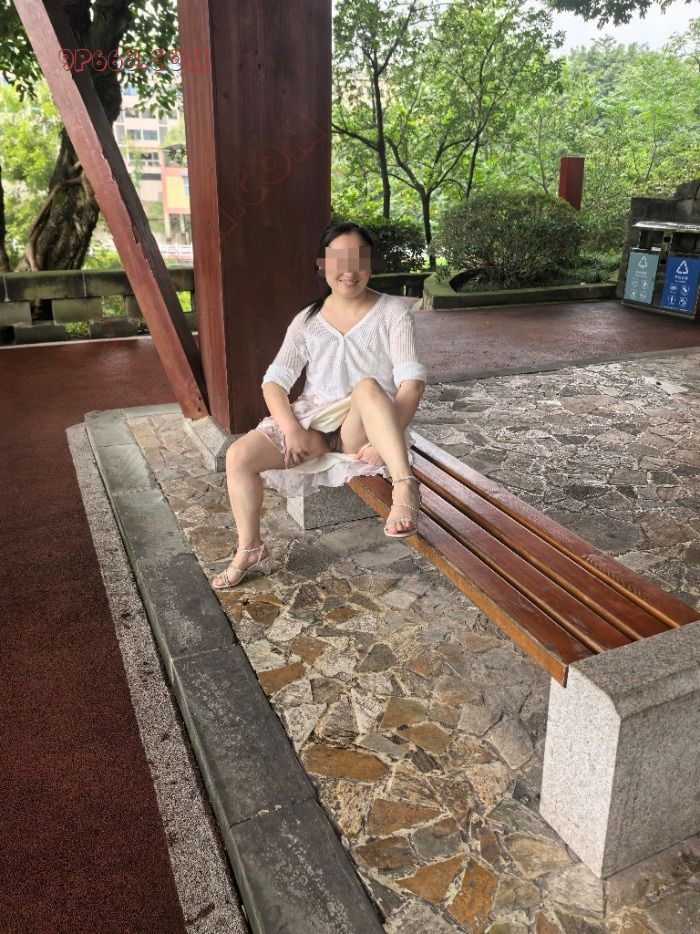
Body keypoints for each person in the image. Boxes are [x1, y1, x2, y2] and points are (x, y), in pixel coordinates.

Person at [211, 220, 427, 590]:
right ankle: (250, 548)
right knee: (238, 456)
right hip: (315, 420)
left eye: (359, 259)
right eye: (339, 260)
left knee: (368, 386)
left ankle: (405, 485)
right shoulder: (307, 320)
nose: (349, 270)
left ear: (370, 264)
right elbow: (274, 382)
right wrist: (291, 430)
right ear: (322, 265)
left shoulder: (393, 312)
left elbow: (412, 383)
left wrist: (383, 444)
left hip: (367, 422)